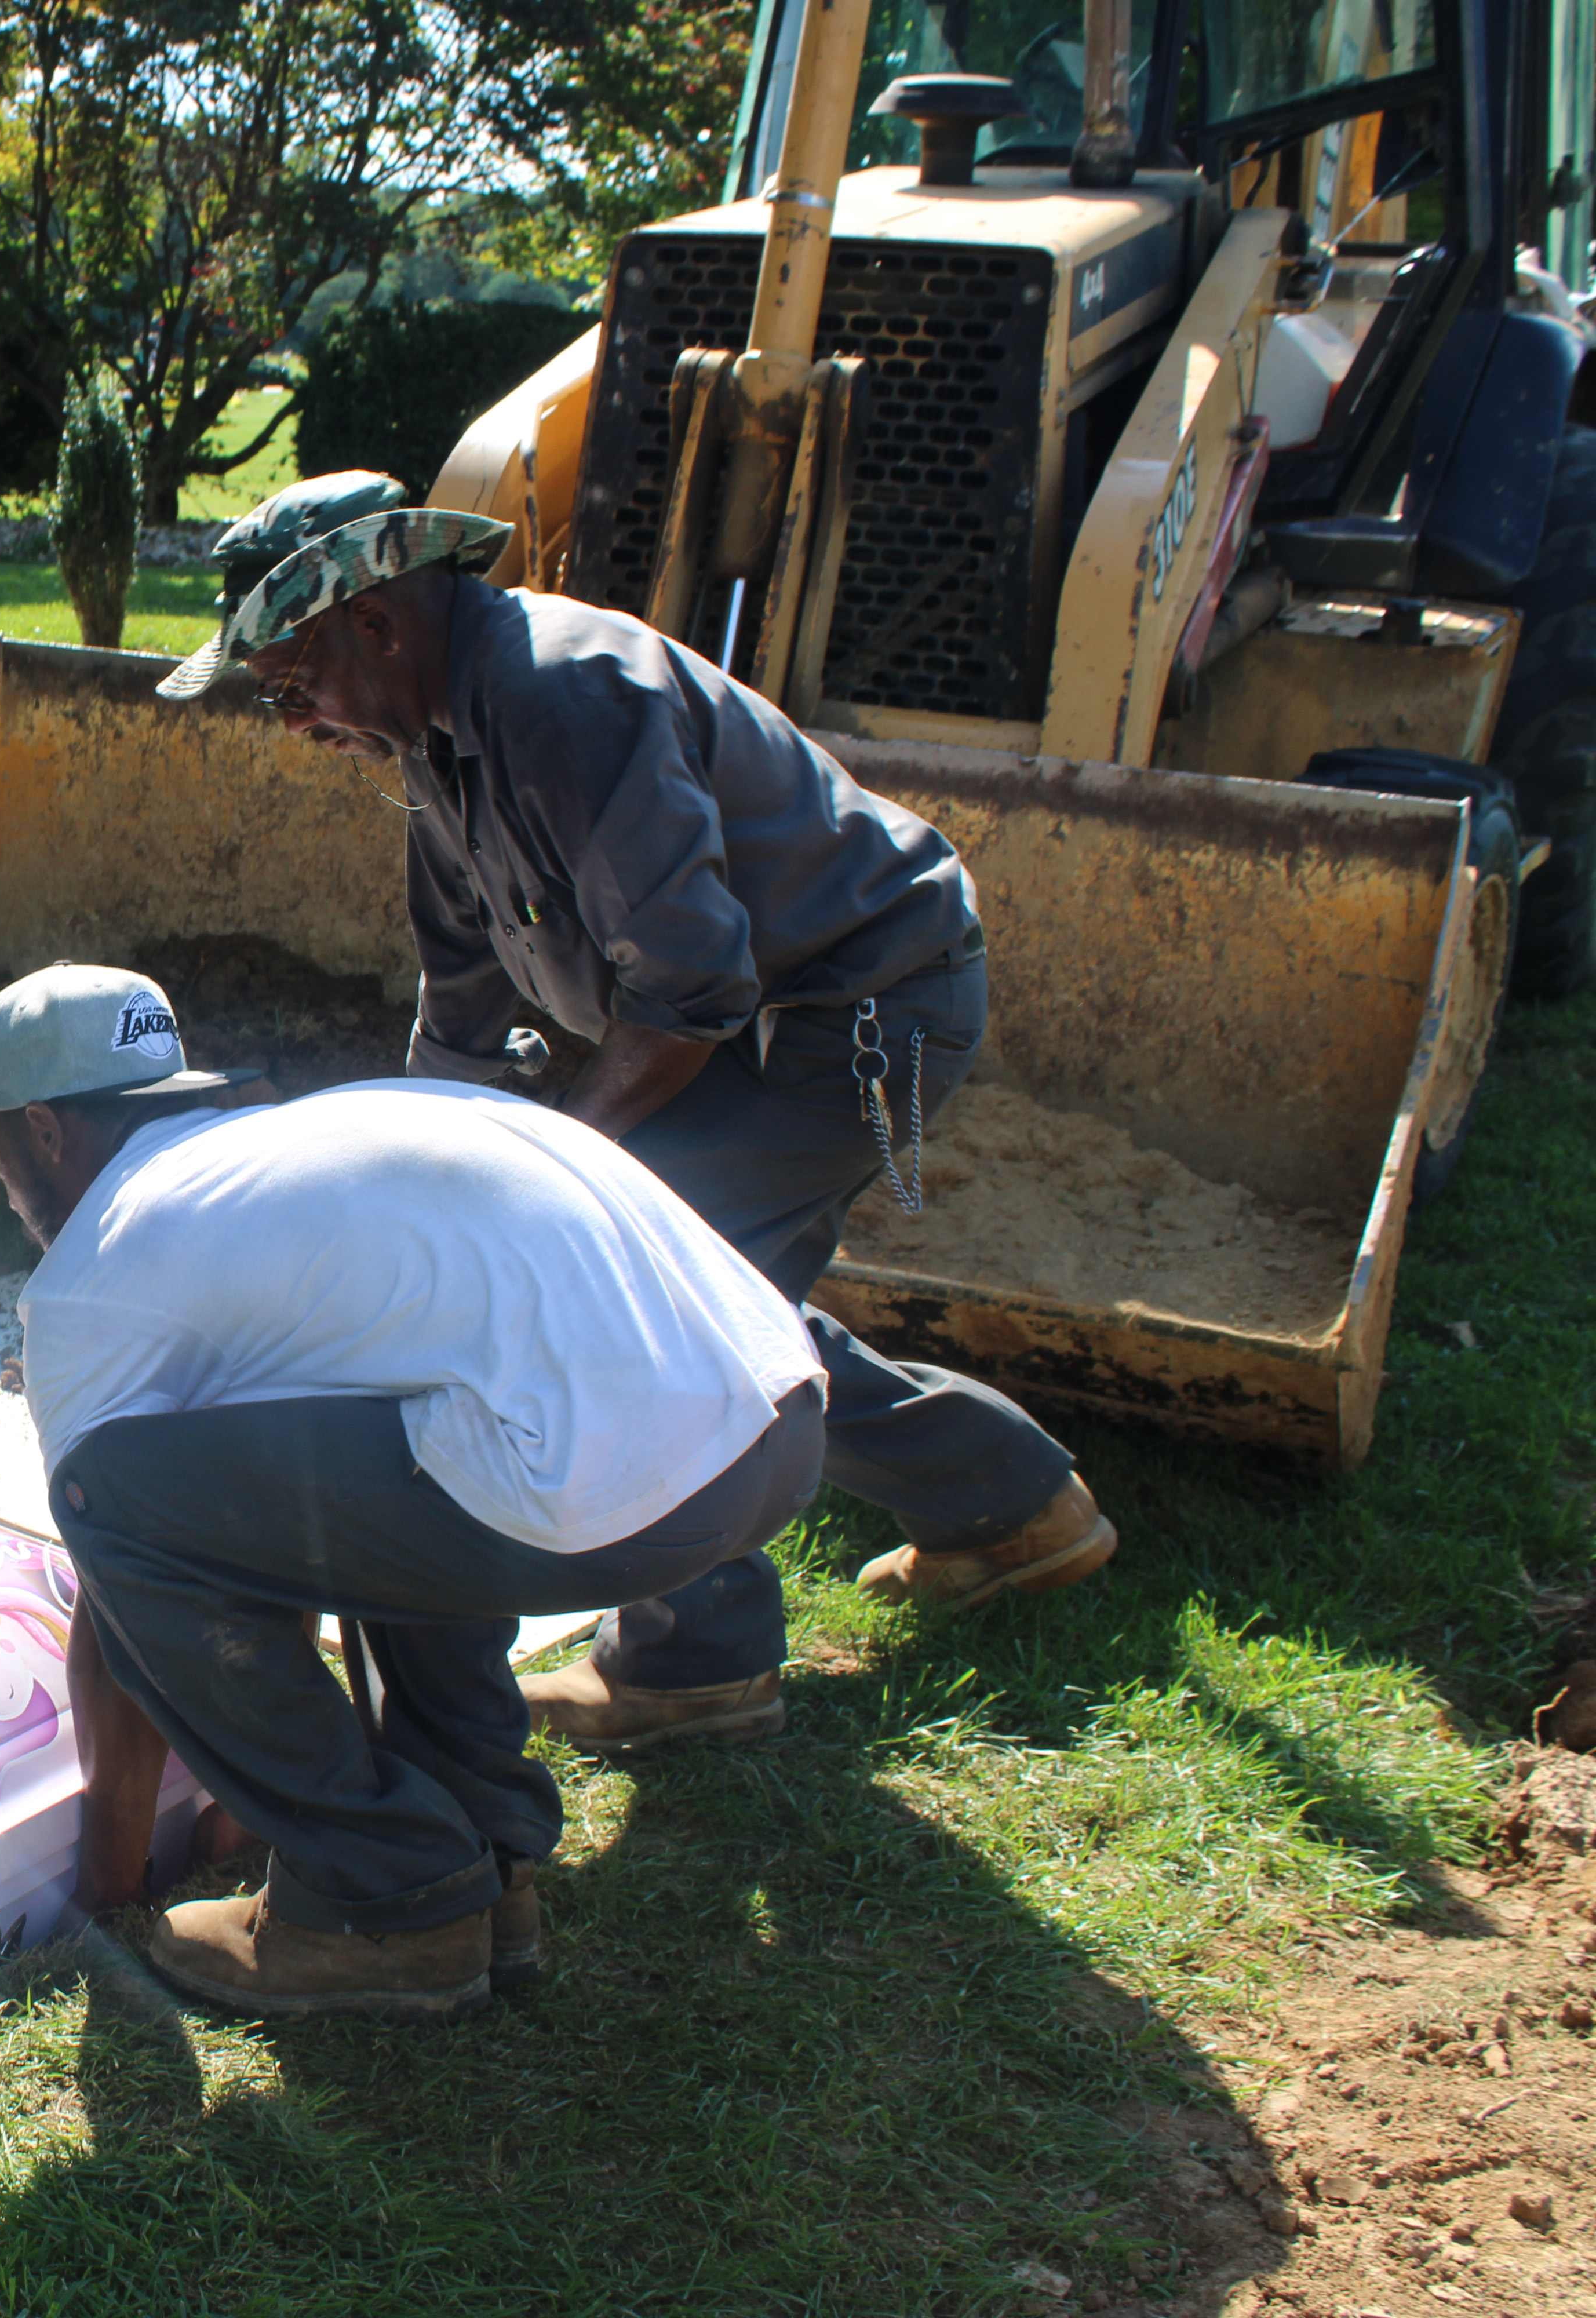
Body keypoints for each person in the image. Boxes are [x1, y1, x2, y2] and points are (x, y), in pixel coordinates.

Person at [155, 472, 1117, 1754]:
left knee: (652, 1296)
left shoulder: (563, 697)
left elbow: (690, 989)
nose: (292, 722)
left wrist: (550, 1171)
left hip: (863, 1005)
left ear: (377, 625)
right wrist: (407, 1188)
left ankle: (695, 1671)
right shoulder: (437, 741)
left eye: (289, 683)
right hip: (749, 1014)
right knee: (712, 1289)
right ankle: (1011, 1504)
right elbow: (461, 994)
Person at [0, 963, 828, 2017]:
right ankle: (481, 1858)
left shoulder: (103, 1271)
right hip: (777, 1415)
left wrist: (110, 1888)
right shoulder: (302, 1150)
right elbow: (313, 1499)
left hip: (641, 1485)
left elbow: (124, 1564)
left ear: (46, 1133)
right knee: (400, 1428)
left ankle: (385, 1900)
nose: (3, 1191)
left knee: (112, 1497)